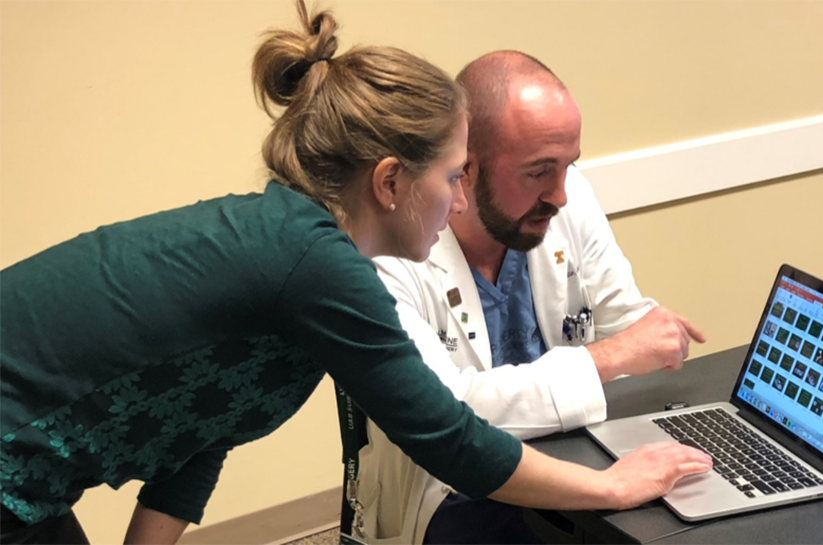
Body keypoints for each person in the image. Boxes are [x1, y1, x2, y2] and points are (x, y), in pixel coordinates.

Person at [0, 5, 712, 545]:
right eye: (453, 176)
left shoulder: (293, 250)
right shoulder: (315, 264)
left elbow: (205, 421)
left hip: (28, 464)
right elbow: (450, 438)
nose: (461, 200)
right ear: (391, 181)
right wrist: (610, 486)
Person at [363, 51, 708, 545]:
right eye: (539, 171)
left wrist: (650, 339)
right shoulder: (388, 248)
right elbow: (450, 416)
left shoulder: (563, 197)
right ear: (466, 169)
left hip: (572, 453)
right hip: (456, 491)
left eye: (568, 166)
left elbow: (629, 325)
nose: (562, 194)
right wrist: (606, 359)